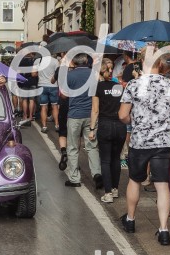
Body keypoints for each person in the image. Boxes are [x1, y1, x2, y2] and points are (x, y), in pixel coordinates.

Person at [118, 55, 170, 246]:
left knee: (135, 180)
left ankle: (130, 220)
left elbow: (122, 114)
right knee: (162, 185)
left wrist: (134, 122)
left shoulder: (133, 85)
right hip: (162, 141)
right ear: (161, 64)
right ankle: (164, 230)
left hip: (139, 141)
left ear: (142, 63)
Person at [62, 54, 101, 188]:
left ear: (74, 62)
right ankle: (97, 174)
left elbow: (64, 94)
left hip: (74, 114)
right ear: (86, 61)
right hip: (91, 115)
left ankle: (74, 179)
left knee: (73, 147)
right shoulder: (95, 74)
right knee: (92, 146)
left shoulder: (70, 75)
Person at [89, 60, 126, 203]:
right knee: (116, 158)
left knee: (105, 160)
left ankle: (108, 192)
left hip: (105, 125)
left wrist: (92, 129)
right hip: (119, 125)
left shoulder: (96, 87)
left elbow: (95, 110)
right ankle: (115, 189)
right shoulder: (119, 87)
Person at [38, 52, 60, 134]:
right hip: (53, 85)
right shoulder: (55, 61)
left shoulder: (38, 61)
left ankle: (44, 126)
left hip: (41, 86)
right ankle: (57, 125)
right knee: (55, 106)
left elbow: (34, 73)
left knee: (43, 107)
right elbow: (57, 73)